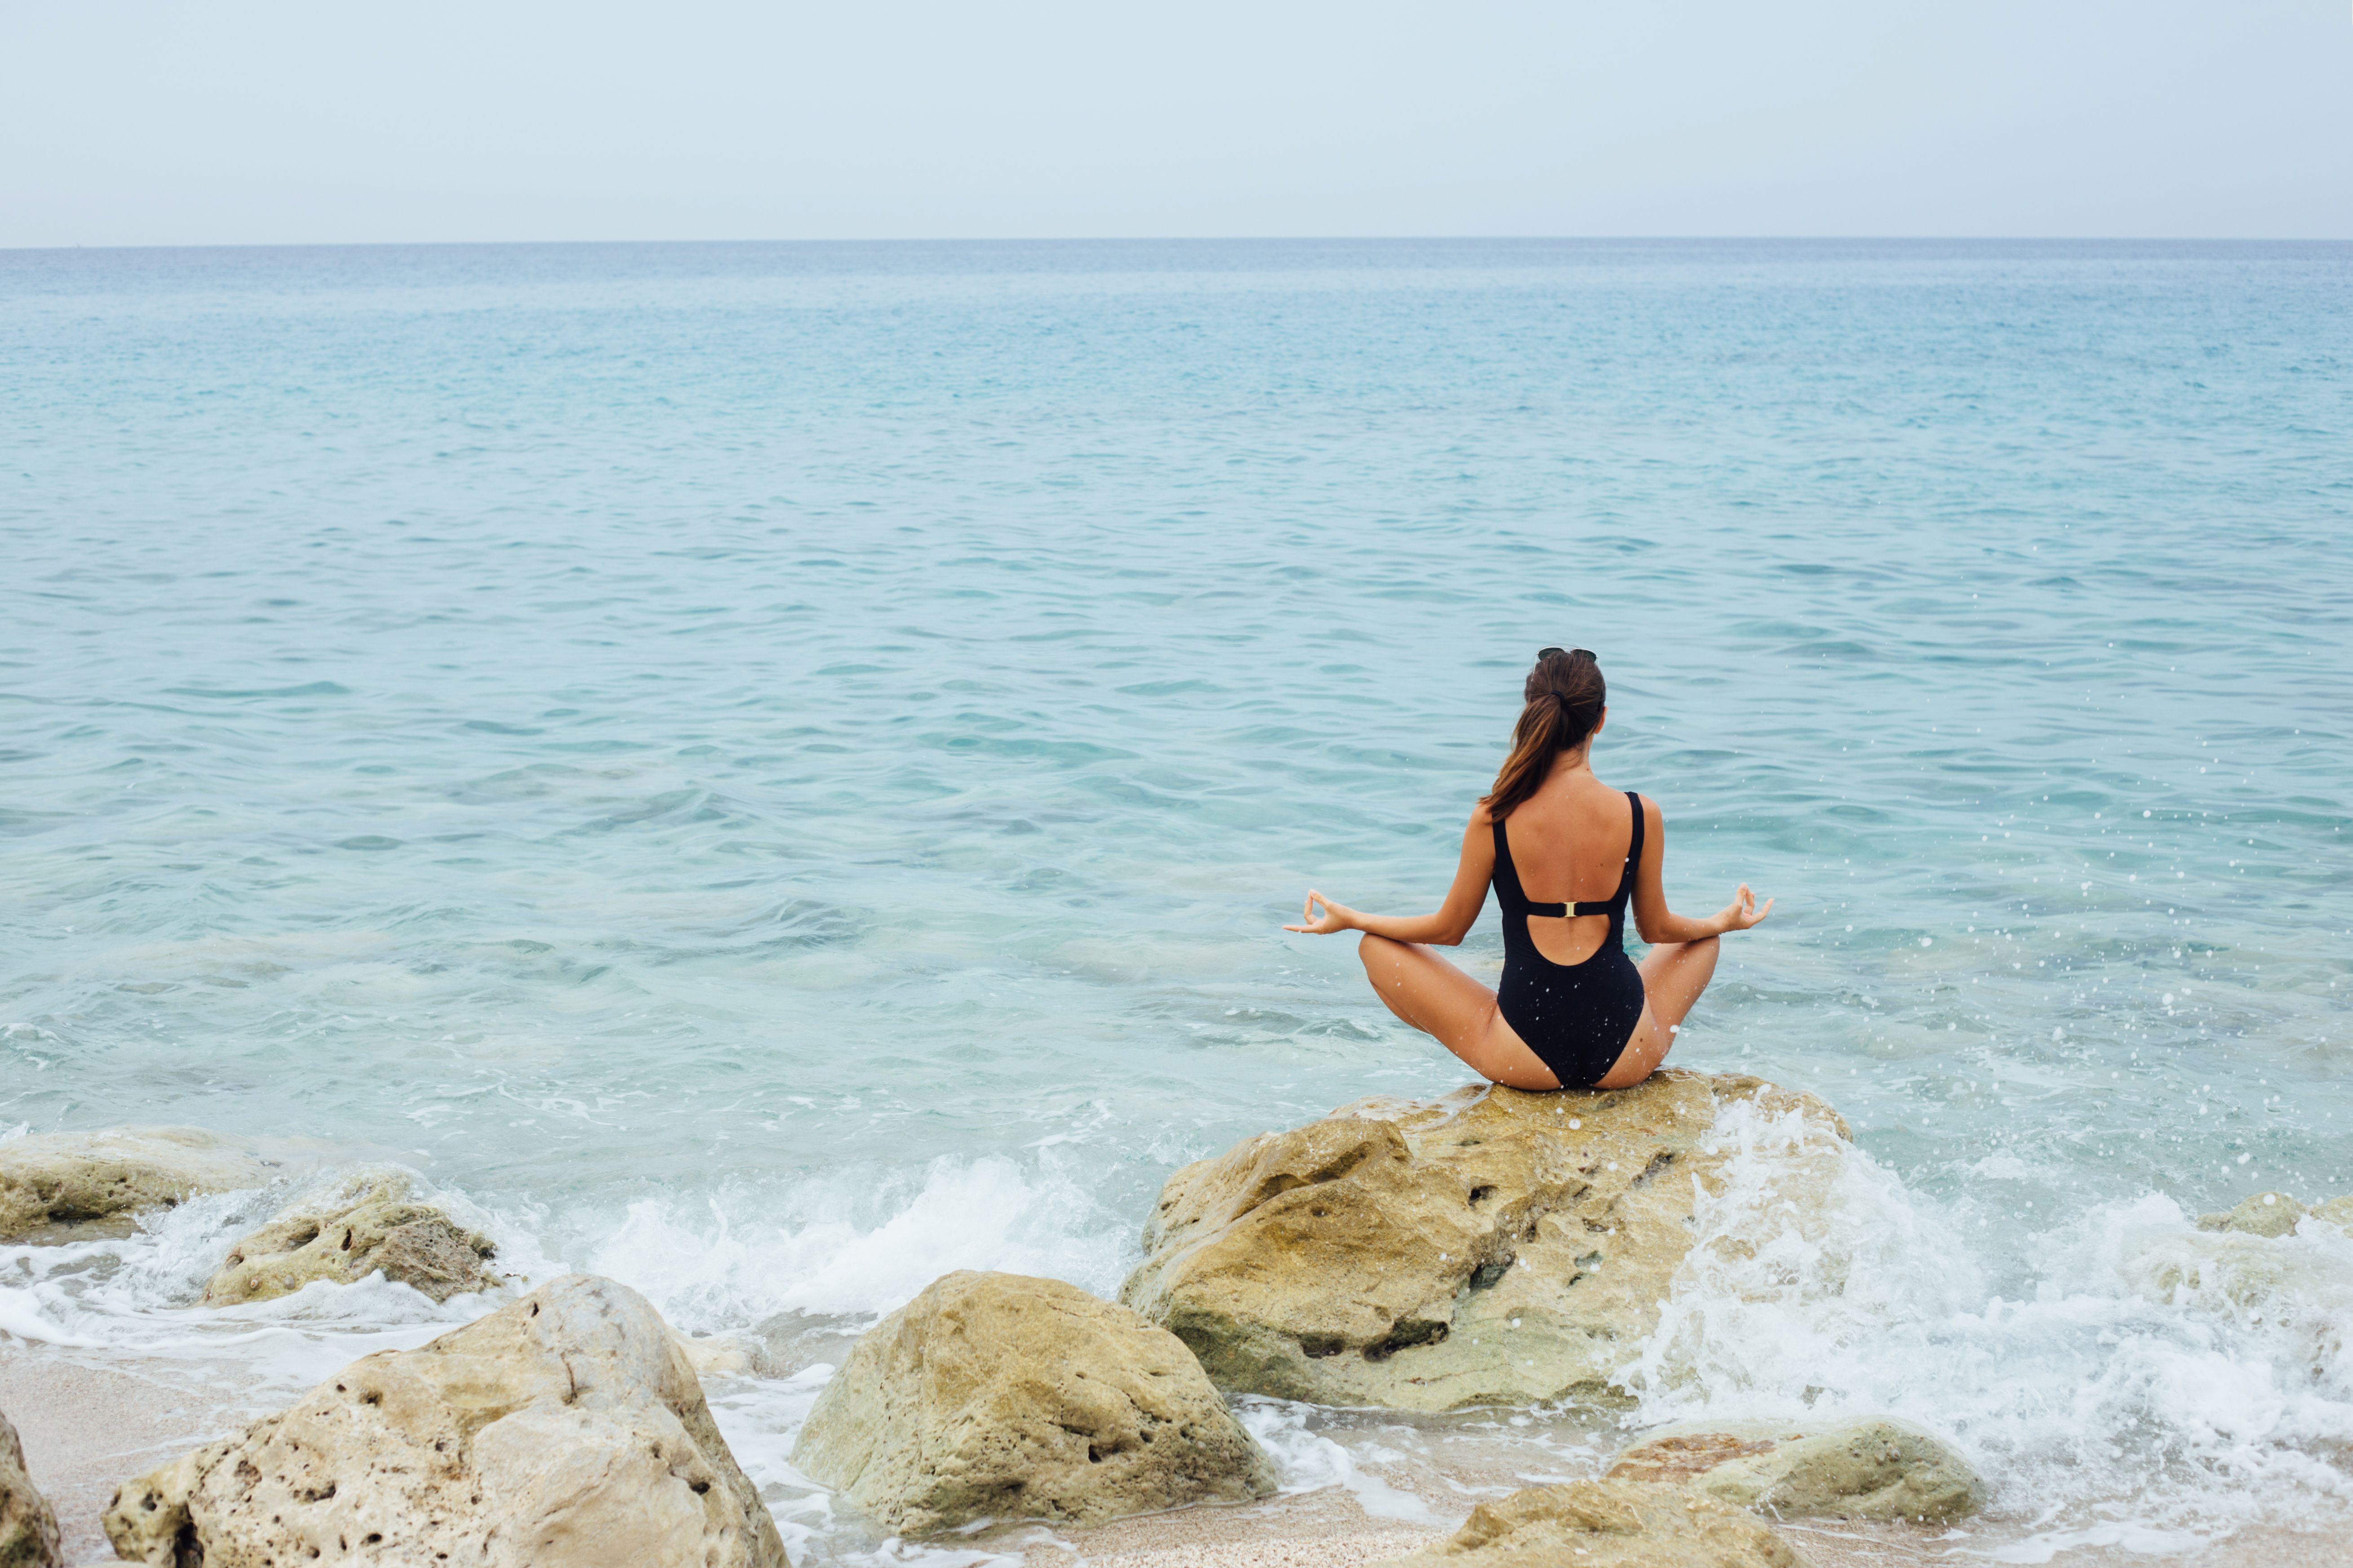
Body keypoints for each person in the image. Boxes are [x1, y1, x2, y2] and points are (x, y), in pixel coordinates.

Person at [1284, 647, 1771, 1091]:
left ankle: (1501, 1055)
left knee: (1375, 948)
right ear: (1599, 721)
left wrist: (1354, 918)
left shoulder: (1494, 814)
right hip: (1624, 1052)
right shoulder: (1642, 813)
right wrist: (1721, 922)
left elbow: (1447, 930)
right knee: (1704, 940)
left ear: (1532, 711)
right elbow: (1657, 928)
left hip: (1525, 1056)